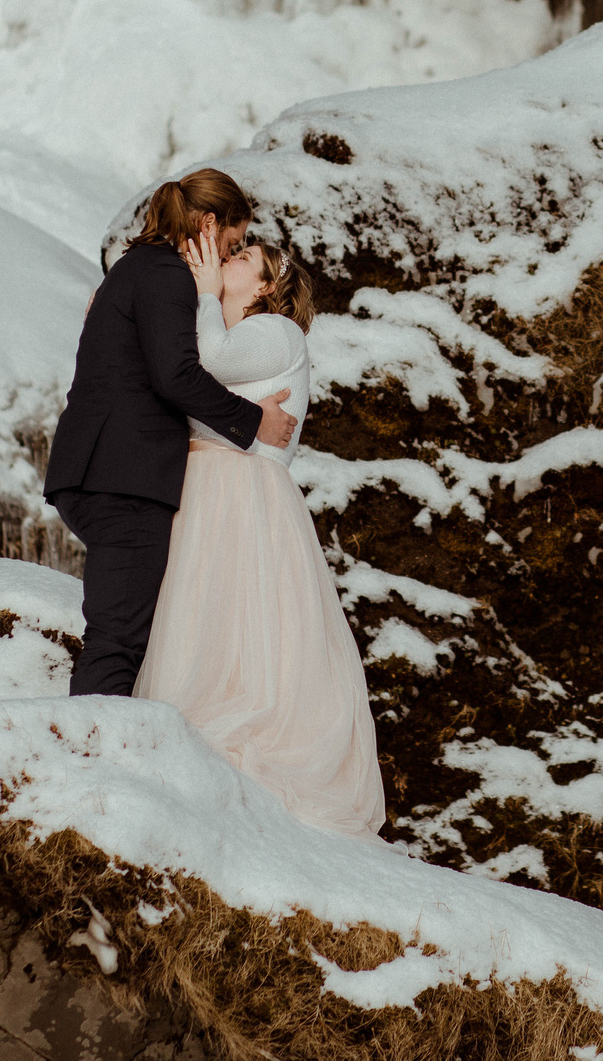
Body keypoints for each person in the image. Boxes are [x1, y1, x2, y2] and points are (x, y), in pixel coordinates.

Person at [133, 228, 386, 841]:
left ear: (268, 286)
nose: (228, 259)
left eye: (243, 257)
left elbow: (212, 363)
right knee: (199, 615)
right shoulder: (222, 327)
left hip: (241, 493)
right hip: (207, 486)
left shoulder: (277, 332)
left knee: (238, 622)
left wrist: (201, 291)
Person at [41, 169, 296, 697]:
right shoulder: (166, 274)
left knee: (124, 635)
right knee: (118, 643)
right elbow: (177, 375)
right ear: (208, 224)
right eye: (233, 242)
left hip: (100, 468)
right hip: (125, 479)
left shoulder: (137, 267)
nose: (229, 255)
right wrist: (256, 422)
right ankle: (92, 746)